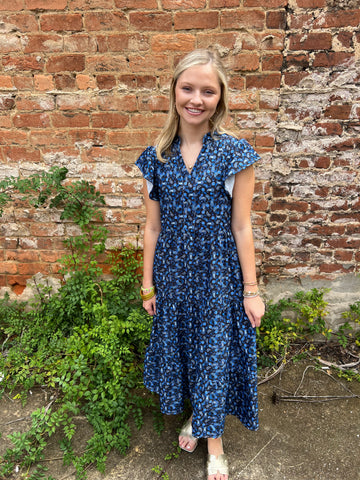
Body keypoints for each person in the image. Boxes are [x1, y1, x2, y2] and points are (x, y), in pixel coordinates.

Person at [135, 49, 265, 480]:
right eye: (188, 88)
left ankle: (215, 446)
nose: (196, 98)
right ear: (173, 90)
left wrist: (251, 289)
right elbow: (152, 228)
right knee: (185, 352)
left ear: (220, 97)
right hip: (172, 276)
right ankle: (197, 417)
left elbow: (242, 227)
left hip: (216, 276)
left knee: (213, 355)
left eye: (208, 91)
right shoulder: (156, 156)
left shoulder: (234, 154)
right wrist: (147, 283)